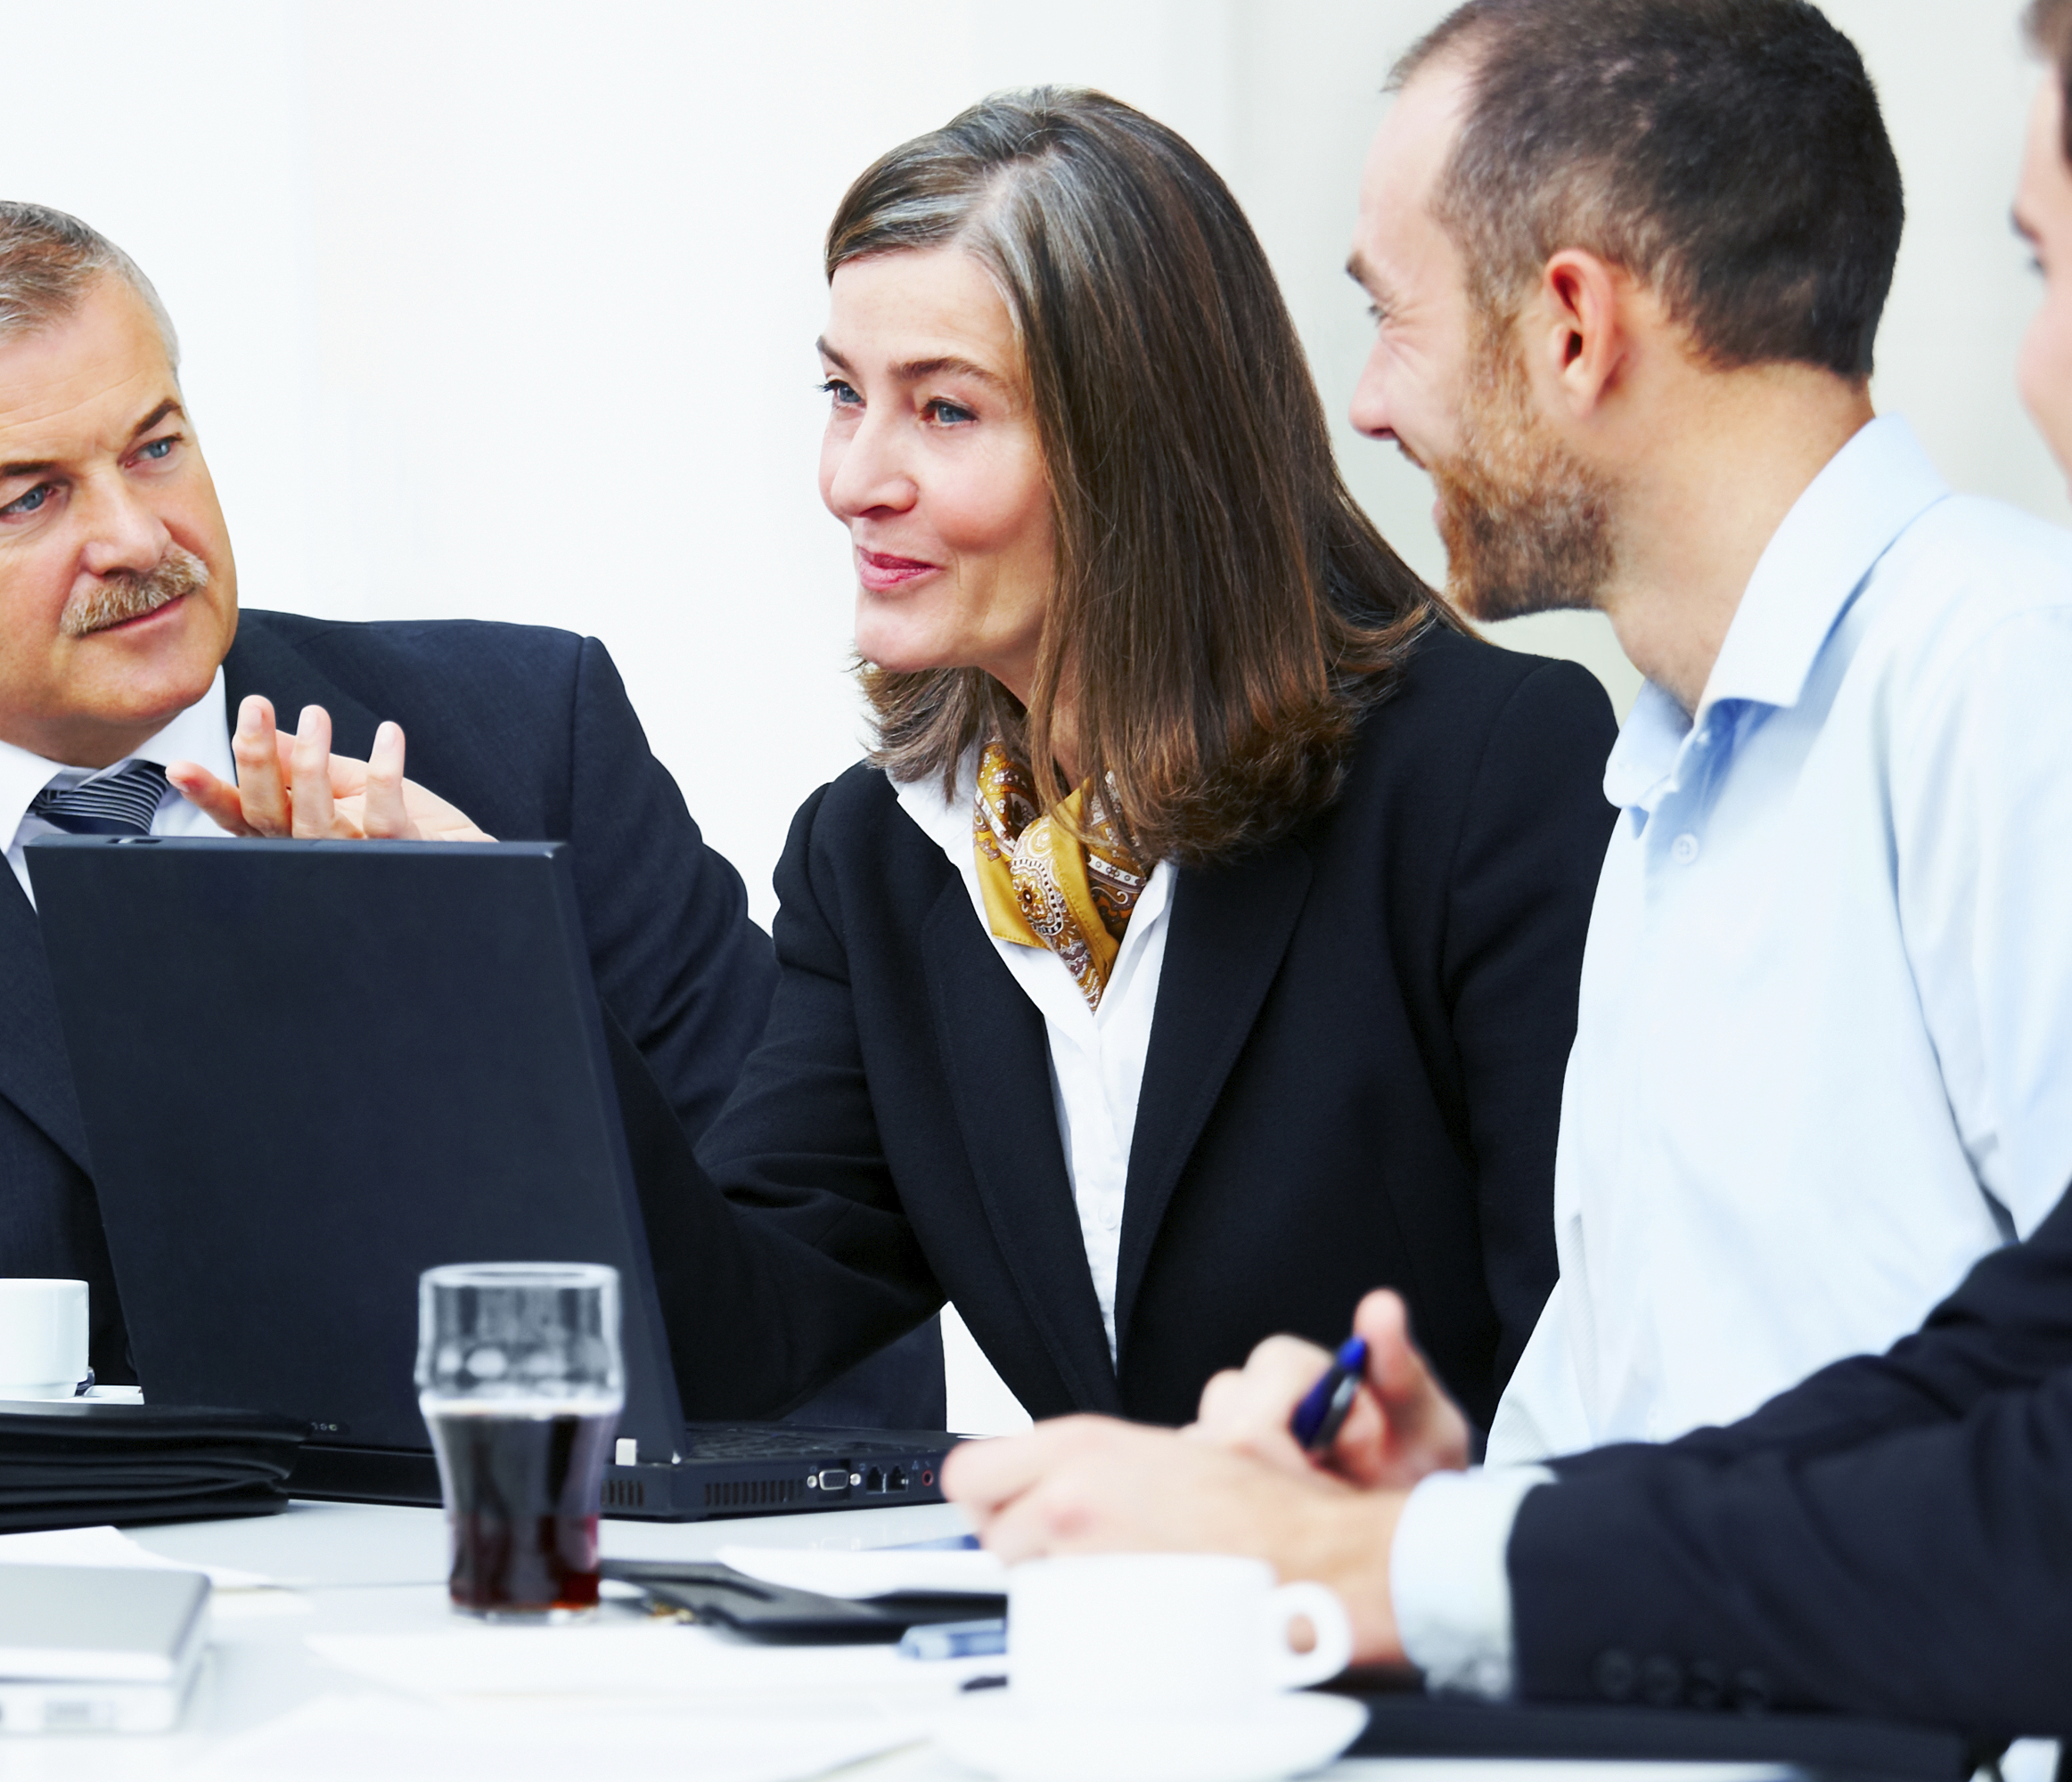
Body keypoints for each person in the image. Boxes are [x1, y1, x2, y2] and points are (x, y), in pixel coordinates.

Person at [947, 2, 2072, 1771]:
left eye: (2042, 270)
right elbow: (2003, 1362)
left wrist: (1390, 1564)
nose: (2018, 371)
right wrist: (1462, 1539)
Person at [0, 197, 936, 1413]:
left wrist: (477, 967)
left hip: (546, 1576)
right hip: (86, 1617)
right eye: (31, 497)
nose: (136, 536)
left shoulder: (529, 734)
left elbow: (811, 1292)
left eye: (156, 447)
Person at [1339, 0, 2072, 1465]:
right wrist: (1422, 1511)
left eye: (1388, 315)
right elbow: (1654, 1423)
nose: (1367, 403)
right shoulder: (1670, 778)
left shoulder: (2016, 692)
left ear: (1573, 328)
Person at [620, 88, 1613, 1432]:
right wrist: (497, 982)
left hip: (1421, 1617)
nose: (856, 477)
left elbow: (1591, 1362)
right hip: (1092, 1630)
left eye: (945, 412)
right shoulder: (877, 856)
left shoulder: (1486, 774)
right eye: (843, 395)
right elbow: (734, 1338)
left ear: (1132, 448)